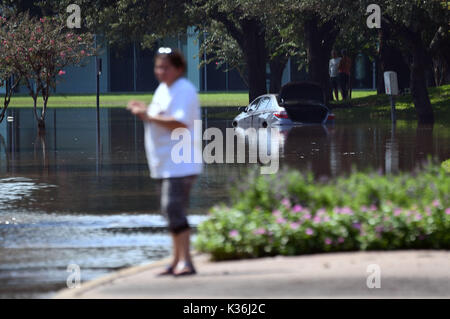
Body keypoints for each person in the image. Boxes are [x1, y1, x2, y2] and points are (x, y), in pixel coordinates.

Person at [126, 47, 202, 277]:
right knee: (168, 212)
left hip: (180, 163)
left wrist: (148, 115)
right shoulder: (163, 89)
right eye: (158, 67)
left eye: (165, 67)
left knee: (173, 209)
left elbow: (179, 122)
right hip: (164, 164)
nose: (160, 72)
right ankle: (176, 259)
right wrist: (144, 111)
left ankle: (186, 262)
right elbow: (159, 117)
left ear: (179, 69)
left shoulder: (184, 90)